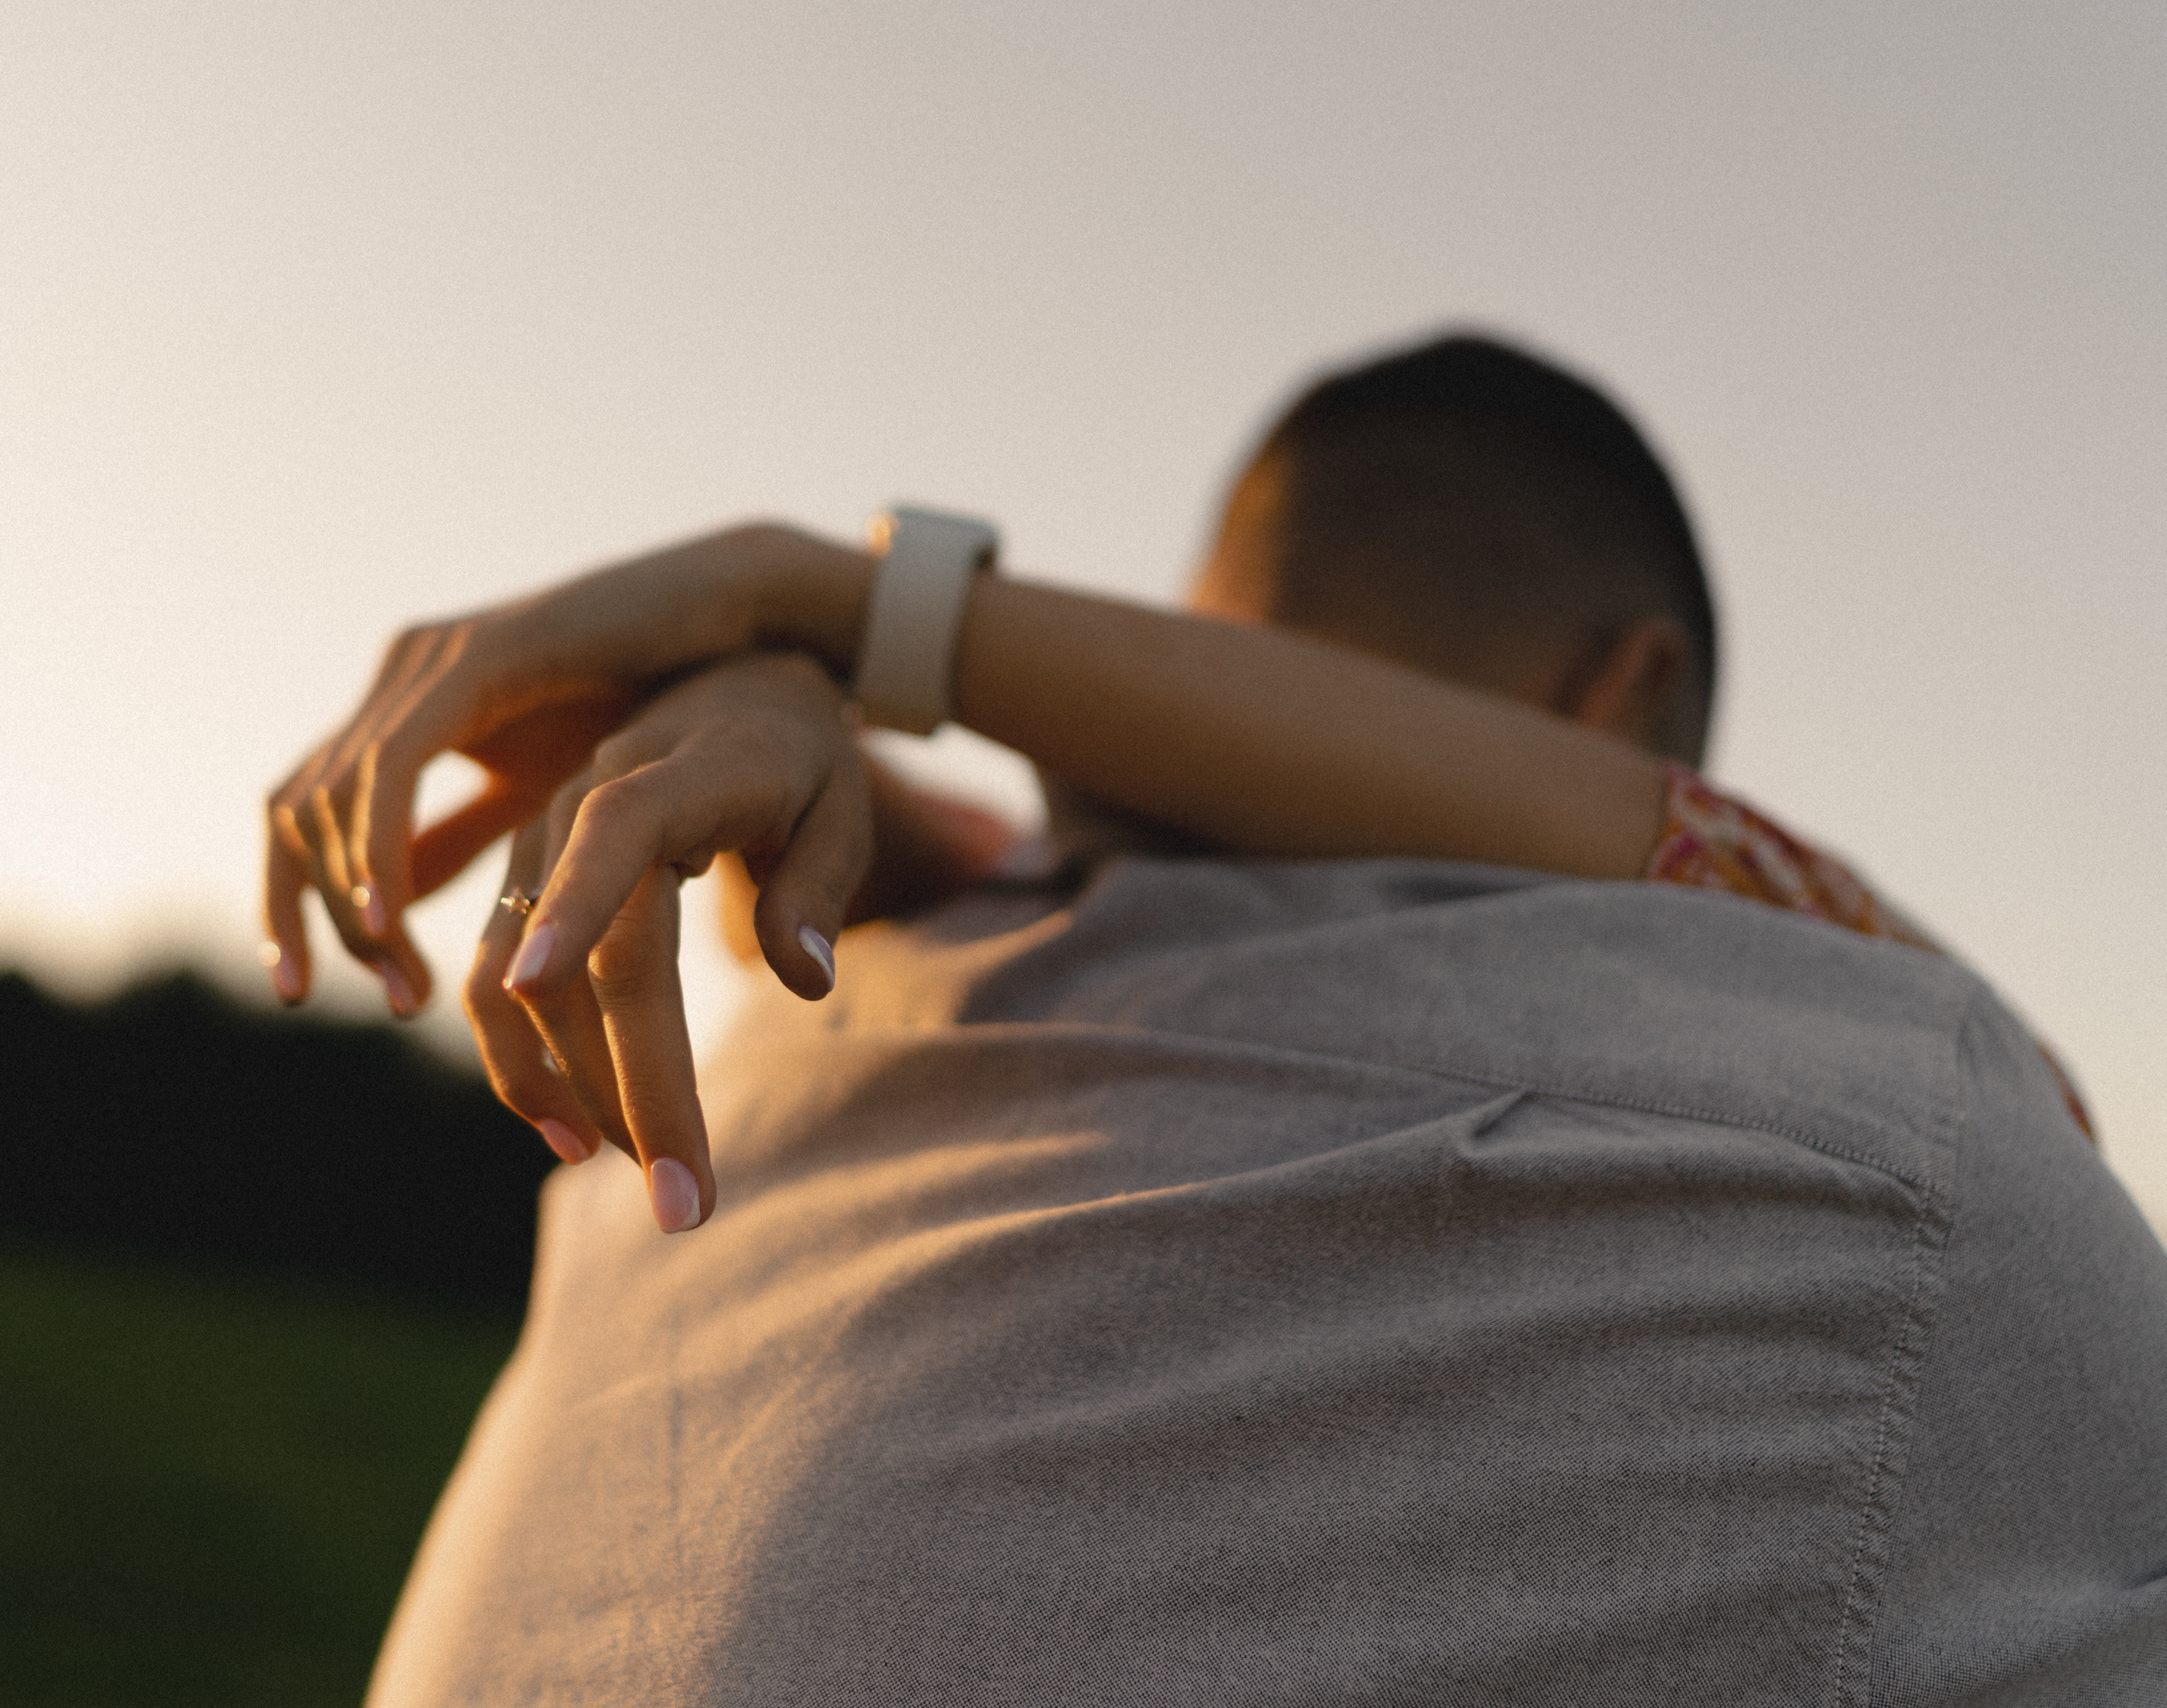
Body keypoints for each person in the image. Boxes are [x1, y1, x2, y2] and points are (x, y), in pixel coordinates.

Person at [265, 335, 2167, 1702]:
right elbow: (1756, 884)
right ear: (1628, 688)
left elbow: (999, 840)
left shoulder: (777, 1024)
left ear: (1183, 638)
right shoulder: (1899, 1117)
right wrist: (825, 630)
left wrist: (805, 650)